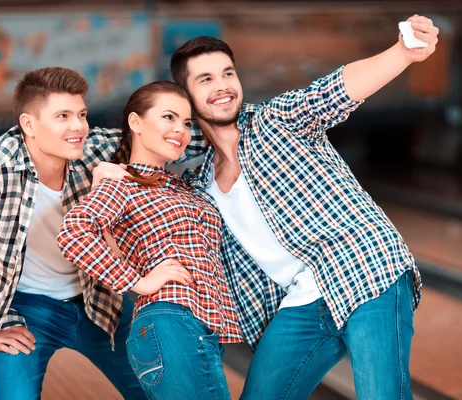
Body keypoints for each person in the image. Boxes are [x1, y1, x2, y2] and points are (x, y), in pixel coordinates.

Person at [94, 14, 439, 400]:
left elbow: (337, 89)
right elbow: (136, 141)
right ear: (186, 96)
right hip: (302, 303)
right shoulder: (197, 186)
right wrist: (104, 174)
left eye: (228, 74)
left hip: (363, 270)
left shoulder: (277, 120)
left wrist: (401, 53)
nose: (222, 86)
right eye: (206, 79)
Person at [0, 67, 148, 399]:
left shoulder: (93, 148)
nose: (78, 126)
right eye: (62, 115)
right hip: (27, 311)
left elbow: (161, 136)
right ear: (28, 125)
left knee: (155, 392)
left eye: (82, 114)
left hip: (99, 299)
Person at [57, 81, 243, 399]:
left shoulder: (181, 186)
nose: (181, 130)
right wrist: (137, 283)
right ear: (136, 122)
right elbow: (73, 233)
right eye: (168, 117)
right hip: (170, 322)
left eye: (186, 123)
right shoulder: (122, 182)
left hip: (203, 330)